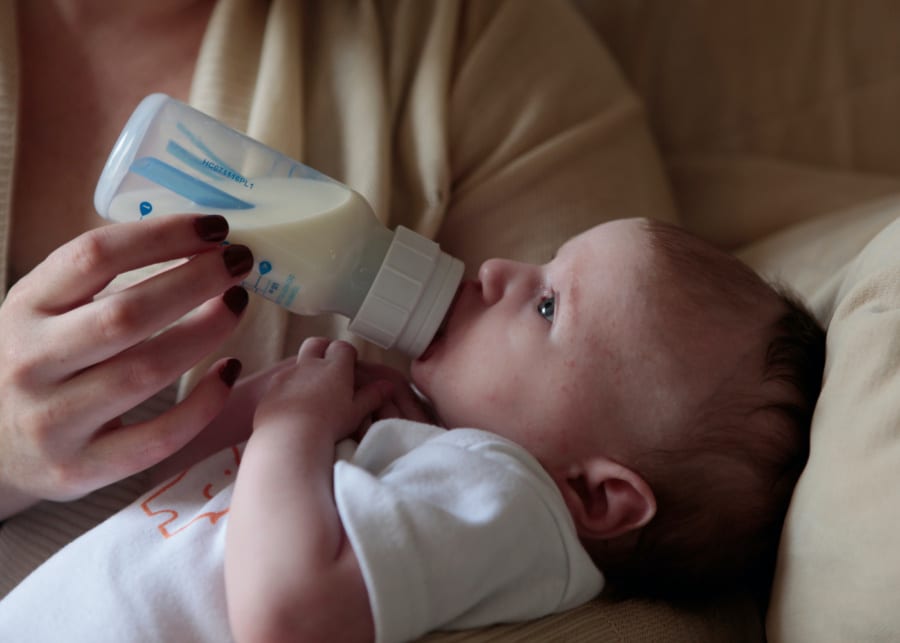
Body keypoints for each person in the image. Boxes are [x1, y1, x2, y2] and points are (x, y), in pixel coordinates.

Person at [0, 217, 826, 642]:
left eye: (546, 305)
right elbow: (194, 507)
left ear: (596, 493)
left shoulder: (510, 498)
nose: (499, 269)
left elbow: (286, 616)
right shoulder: (444, 466)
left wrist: (295, 421)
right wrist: (279, 407)